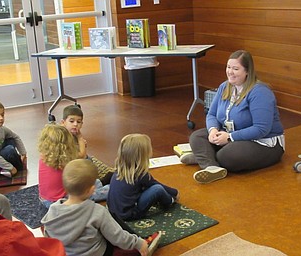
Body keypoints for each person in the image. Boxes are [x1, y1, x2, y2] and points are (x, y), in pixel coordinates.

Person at [181, 50, 285, 184]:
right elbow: (212, 114)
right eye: (228, 67)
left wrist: (230, 137)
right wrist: (213, 130)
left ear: (247, 71)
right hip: (231, 135)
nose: (230, 72)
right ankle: (210, 166)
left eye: (236, 68)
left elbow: (261, 129)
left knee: (228, 156)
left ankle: (204, 157)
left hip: (263, 142)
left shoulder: (260, 92)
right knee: (197, 137)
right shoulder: (225, 86)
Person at [41, 159, 162, 256]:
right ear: (92, 190)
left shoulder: (51, 213)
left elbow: (50, 241)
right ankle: (142, 243)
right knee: (119, 241)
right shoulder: (97, 211)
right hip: (98, 252)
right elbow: (117, 237)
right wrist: (138, 243)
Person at [107, 133, 179, 222]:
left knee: (146, 187)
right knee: (157, 189)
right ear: (143, 154)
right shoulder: (140, 174)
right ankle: (170, 201)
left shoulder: (119, 170)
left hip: (114, 212)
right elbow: (156, 185)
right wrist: (175, 192)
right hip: (130, 214)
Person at [38, 124, 108, 209]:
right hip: (61, 202)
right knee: (103, 190)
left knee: (94, 182)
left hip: (44, 199)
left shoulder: (43, 157)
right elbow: (83, 155)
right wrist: (79, 138)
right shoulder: (65, 161)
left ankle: (102, 183)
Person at [60, 104, 114, 185]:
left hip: (73, 163)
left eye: (78, 122)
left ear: (82, 124)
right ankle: (99, 183)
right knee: (87, 162)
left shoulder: (72, 133)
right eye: (71, 121)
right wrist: (80, 138)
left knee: (89, 160)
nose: (75, 124)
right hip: (68, 171)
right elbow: (82, 155)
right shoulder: (63, 136)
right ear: (63, 122)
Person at [0, 100, 27, 178]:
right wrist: (10, 168)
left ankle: (5, 169)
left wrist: (23, 153)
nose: (1, 118)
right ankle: (5, 170)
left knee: (11, 140)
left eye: (2, 115)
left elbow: (16, 137)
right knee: (10, 150)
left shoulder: (2, 129)